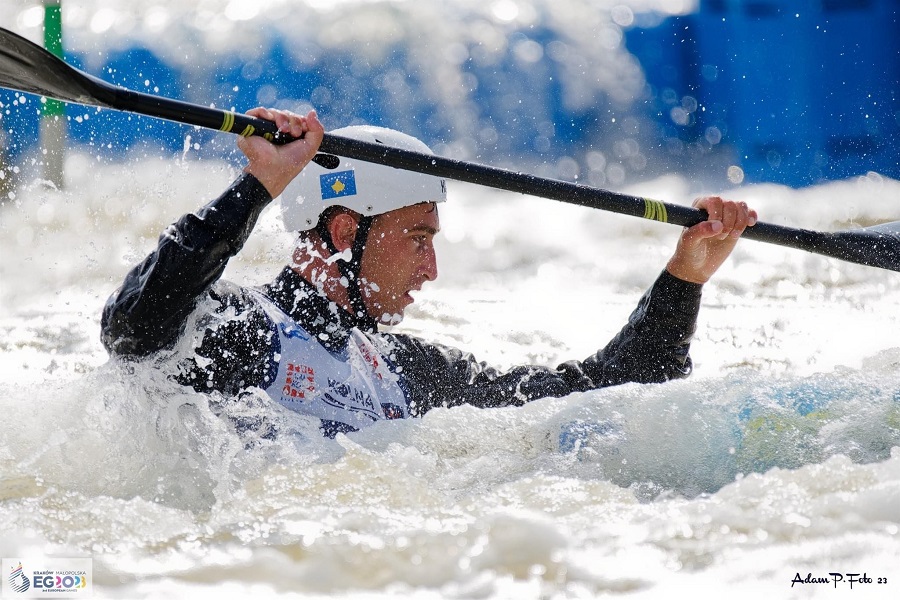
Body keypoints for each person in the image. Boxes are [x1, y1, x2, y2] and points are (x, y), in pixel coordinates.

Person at [101, 108, 757, 440]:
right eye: (417, 238)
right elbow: (132, 323)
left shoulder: (403, 370)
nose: (432, 268)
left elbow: (600, 391)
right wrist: (259, 184)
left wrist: (685, 276)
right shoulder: (242, 329)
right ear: (343, 233)